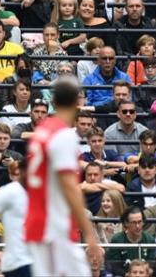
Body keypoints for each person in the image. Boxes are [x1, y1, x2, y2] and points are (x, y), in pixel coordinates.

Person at [23, 77, 102, 276]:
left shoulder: (42, 131)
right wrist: (90, 235)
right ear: (78, 102)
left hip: (37, 219)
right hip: (54, 224)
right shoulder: (63, 135)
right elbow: (69, 186)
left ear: (54, 102)